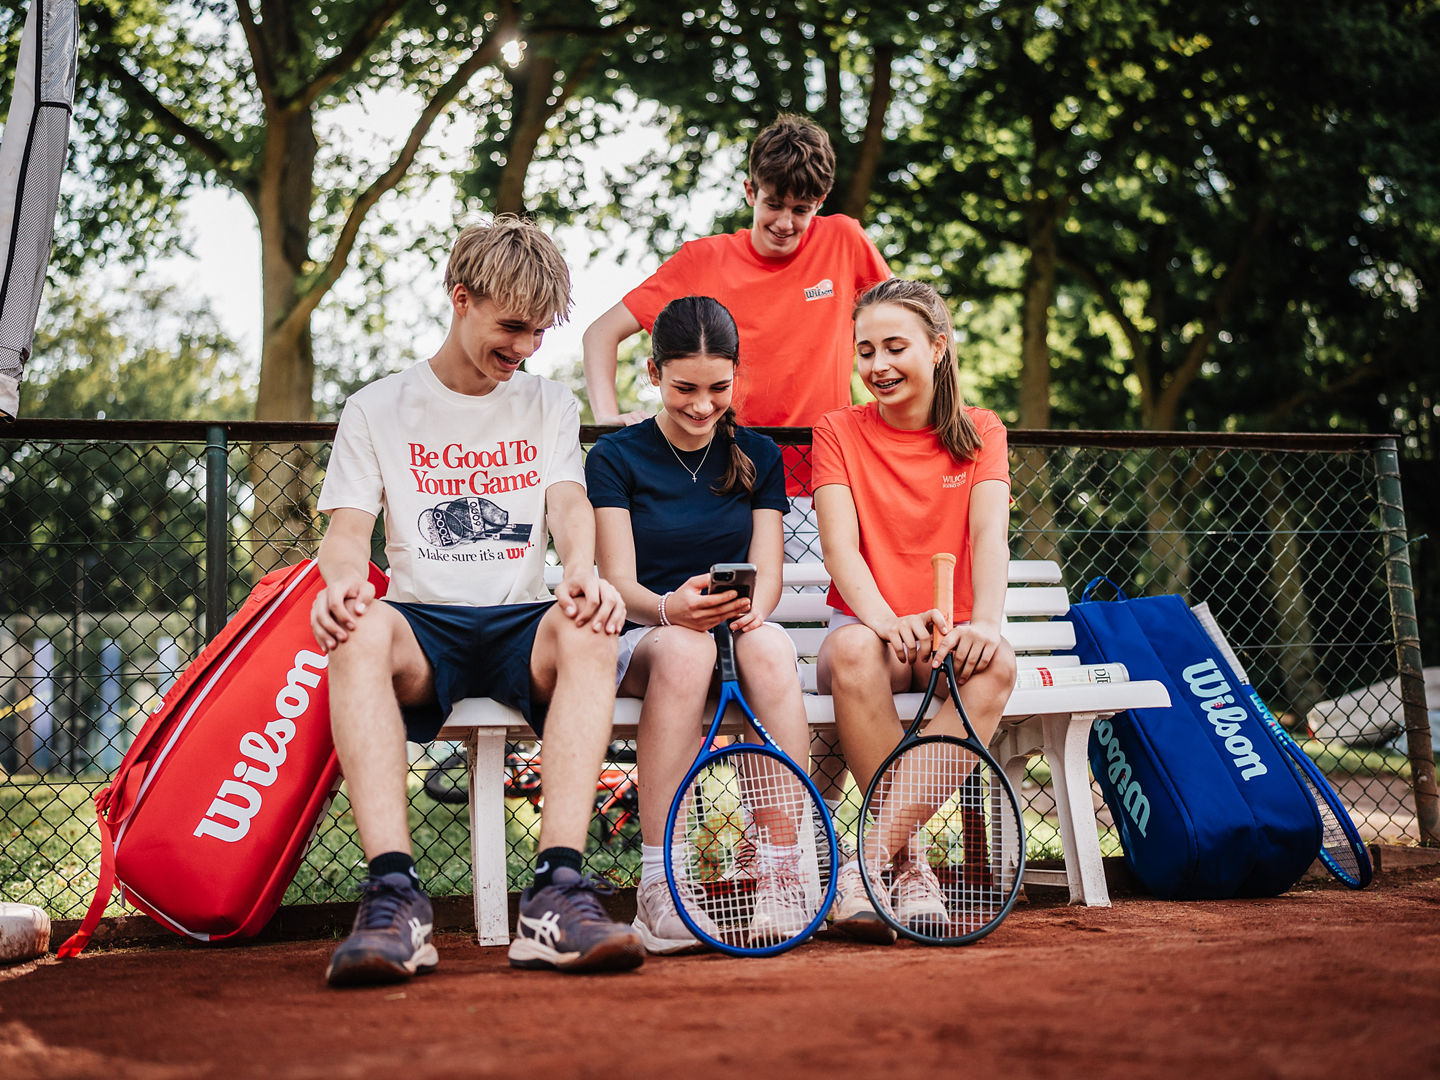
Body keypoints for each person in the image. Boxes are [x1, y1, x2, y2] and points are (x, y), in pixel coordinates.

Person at [310, 216, 645, 985]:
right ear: (461, 299)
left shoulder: (549, 403)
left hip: (523, 623)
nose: (526, 348)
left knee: (592, 630)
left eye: (540, 333)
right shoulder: (377, 407)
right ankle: (394, 895)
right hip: (424, 626)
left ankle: (556, 891)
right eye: (513, 327)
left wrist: (583, 570)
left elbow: (568, 504)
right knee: (357, 631)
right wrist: (342, 585)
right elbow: (347, 532)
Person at [583, 111, 891, 826]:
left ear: (822, 204)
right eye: (774, 204)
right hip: (731, 491)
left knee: (822, 675)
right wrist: (609, 420)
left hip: (824, 493)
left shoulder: (845, 242)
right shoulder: (703, 259)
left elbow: (901, 321)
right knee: (749, 657)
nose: (787, 222)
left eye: (803, 209)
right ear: (749, 188)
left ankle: (798, 830)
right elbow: (603, 334)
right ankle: (773, 833)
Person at [585, 295, 813, 953]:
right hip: (645, 636)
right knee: (683, 652)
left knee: (770, 649)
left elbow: (765, 573)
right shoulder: (615, 458)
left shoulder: (759, 455)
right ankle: (660, 885)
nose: (702, 404)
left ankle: (780, 872)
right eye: (685, 387)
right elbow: (619, 586)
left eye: (718, 387)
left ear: (737, 375)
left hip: (729, 637)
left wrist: (754, 612)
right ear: (653, 375)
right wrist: (669, 610)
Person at [812, 278, 1018, 944]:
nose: (877, 366)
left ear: (937, 347)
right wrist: (880, 620)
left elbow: (991, 536)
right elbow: (841, 549)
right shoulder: (837, 430)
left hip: (945, 635)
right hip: (868, 633)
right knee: (849, 650)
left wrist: (983, 623)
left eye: (894, 347)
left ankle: (868, 863)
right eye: (865, 350)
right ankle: (908, 866)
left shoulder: (983, 431)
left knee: (999, 666)